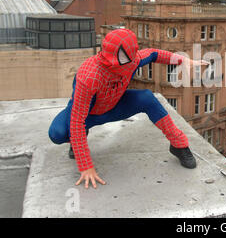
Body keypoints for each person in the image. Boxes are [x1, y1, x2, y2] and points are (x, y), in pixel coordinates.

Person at [48, 29, 208, 189]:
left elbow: (154, 54)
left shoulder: (133, 60)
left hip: (115, 105)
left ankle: (179, 145)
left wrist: (184, 61)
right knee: (57, 133)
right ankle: (77, 140)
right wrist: (86, 166)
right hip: (89, 114)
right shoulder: (89, 76)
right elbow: (77, 120)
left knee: (147, 98)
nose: (123, 67)